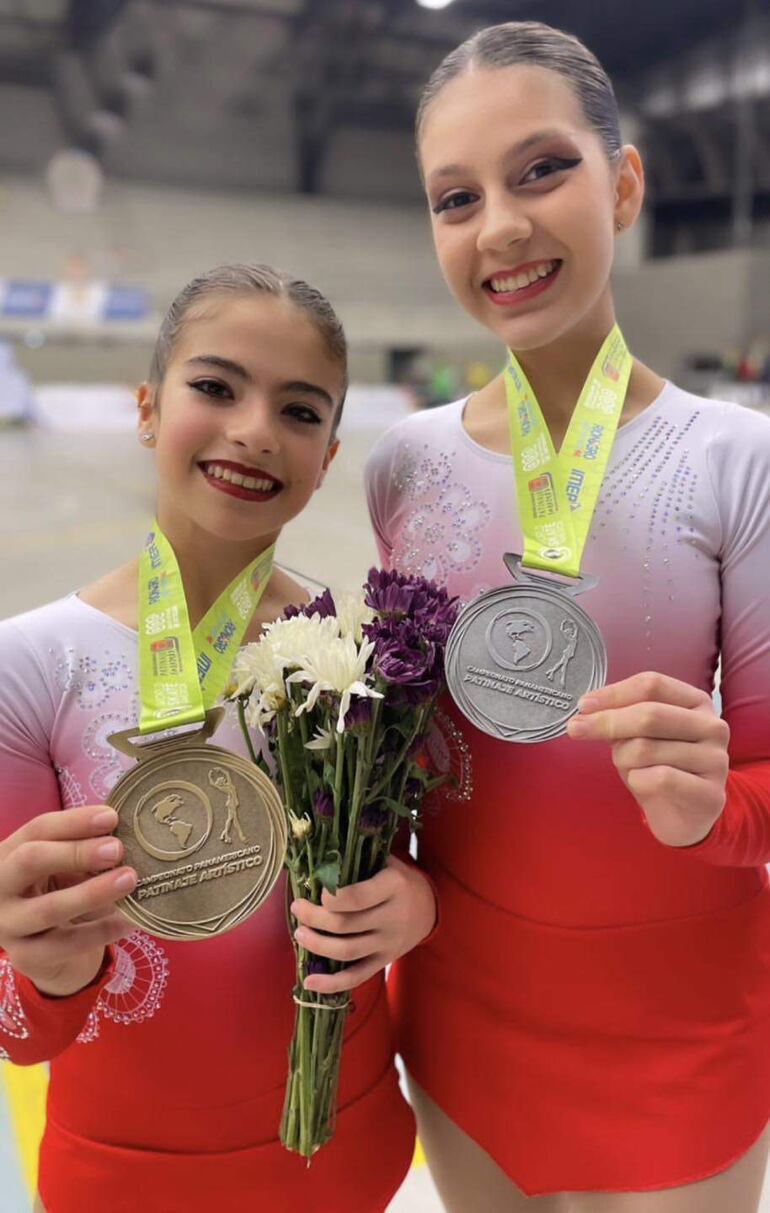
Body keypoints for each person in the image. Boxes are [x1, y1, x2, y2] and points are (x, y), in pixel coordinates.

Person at [365, 22, 770, 1213]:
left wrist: (712, 808)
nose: (498, 225)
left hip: (673, 1016)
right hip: (461, 1005)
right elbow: (411, 746)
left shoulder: (735, 461)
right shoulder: (403, 464)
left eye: (541, 168)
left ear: (624, 183)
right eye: (455, 197)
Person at [0, 264, 437, 1213]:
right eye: (215, 387)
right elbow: (18, 1032)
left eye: (300, 409)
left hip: (345, 1148)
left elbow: (396, 875)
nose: (252, 430)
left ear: (326, 456)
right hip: (122, 1176)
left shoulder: (357, 658)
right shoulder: (26, 665)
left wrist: (413, 906)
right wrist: (44, 973)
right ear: (149, 406)